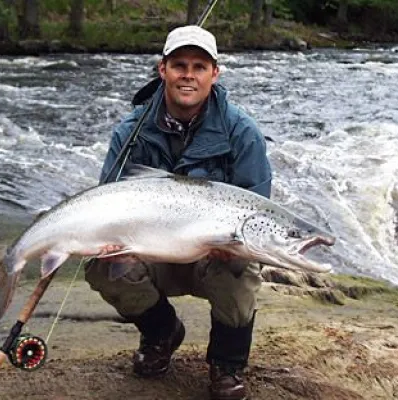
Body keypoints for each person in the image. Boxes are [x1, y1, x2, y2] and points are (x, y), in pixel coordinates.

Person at [85, 25, 272, 400]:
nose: (189, 75)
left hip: (213, 256)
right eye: (180, 65)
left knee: (242, 267)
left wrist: (234, 245)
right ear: (163, 70)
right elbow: (107, 198)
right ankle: (162, 333)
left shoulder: (242, 133)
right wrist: (107, 239)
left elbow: (257, 207)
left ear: (214, 74)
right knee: (103, 266)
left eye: (199, 66)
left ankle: (227, 365)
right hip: (153, 252)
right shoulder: (130, 132)